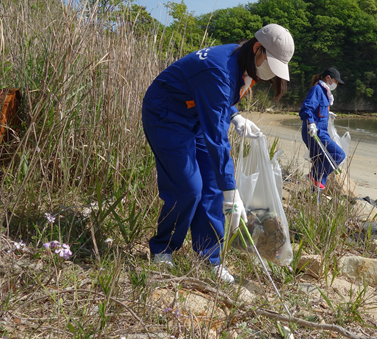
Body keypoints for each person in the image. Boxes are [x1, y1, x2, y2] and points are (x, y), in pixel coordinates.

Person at [142, 24, 294, 283]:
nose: (270, 75)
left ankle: (209, 257)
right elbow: (216, 138)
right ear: (258, 49)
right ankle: (163, 250)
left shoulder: (242, 63)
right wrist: (232, 190)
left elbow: (216, 101)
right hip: (166, 113)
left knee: (212, 187)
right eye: (271, 65)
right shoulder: (218, 69)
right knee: (187, 188)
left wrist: (235, 116)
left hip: (196, 113)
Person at [299, 68, 346, 190]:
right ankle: (313, 175)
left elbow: (318, 110)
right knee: (339, 155)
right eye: (335, 81)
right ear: (328, 78)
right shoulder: (317, 90)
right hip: (314, 132)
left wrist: (328, 114)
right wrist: (311, 123)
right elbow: (306, 109)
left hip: (321, 131)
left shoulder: (326, 93)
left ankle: (315, 197)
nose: (336, 84)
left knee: (321, 161)